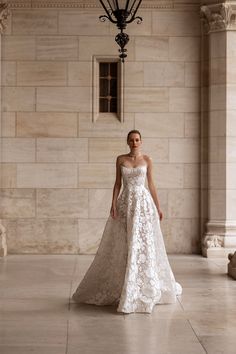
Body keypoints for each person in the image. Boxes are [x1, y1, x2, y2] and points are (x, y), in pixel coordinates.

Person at [72, 130, 182, 313]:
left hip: (143, 205)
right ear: (127, 142)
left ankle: (142, 285)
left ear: (141, 141)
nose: (134, 142)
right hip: (125, 204)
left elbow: (151, 184)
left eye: (137, 139)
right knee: (124, 242)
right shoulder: (120, 159)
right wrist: (113, 204)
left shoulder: (147, 160)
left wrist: (158, 206)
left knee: (143, 243)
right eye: (131, 140)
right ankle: (123, 283)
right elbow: (117, 184)